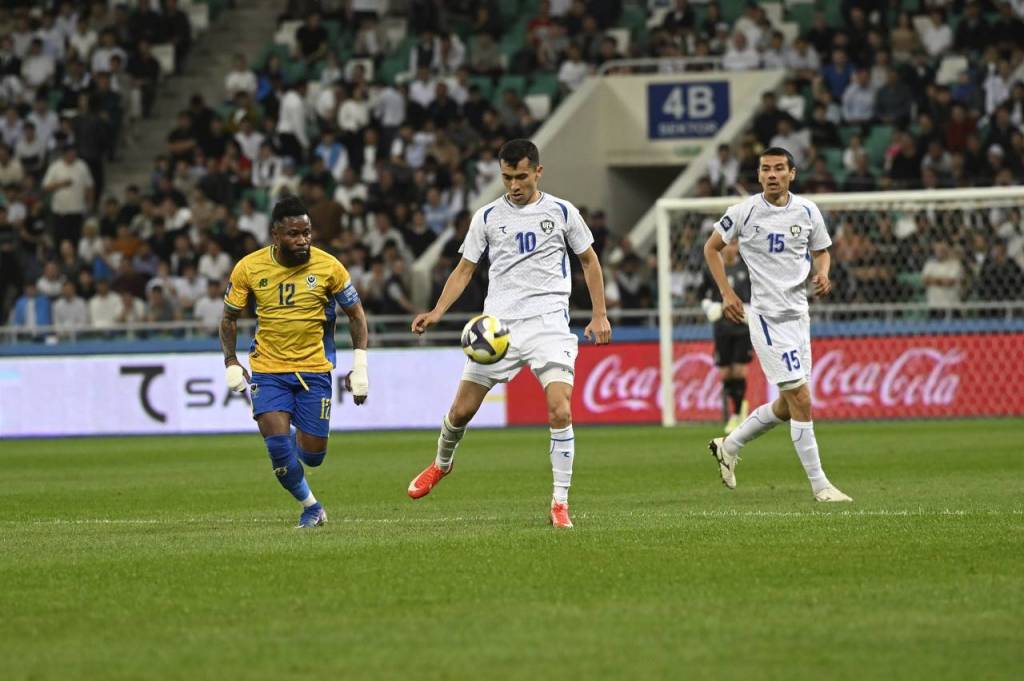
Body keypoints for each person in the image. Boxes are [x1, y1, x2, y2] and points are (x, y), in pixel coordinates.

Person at [407, 139, 613, 528]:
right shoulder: (486, 217)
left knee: (560, 409)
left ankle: (560, 502)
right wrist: (436, 311)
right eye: (507, 178)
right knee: (461, 411)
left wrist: (599, 314)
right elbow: (465, 269)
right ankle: (442, 464)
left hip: (548, 325)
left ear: (538, 172)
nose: (514, 185)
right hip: (497, 329)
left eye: (521, 176)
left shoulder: (563, 212)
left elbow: (589, 261)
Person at [702, 146, 852, 502]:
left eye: (779, 168)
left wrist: (824, 273)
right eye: (766, 169)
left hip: (799, 317)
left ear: (792, 174)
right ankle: (820, 486)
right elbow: (711, 248)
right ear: (758, 175)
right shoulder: (744, 211)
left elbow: (822, 251)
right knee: (802, 398)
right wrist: (727, 293)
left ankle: (729, 445)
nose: (772, 174)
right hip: (767, 319)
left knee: (787, 405)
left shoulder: (808, 211)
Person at [219, 196, 369, 529]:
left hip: (314, 370)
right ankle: (311, 507)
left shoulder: (329, 267)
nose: (303, 240)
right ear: (275, 235)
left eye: (307, 233)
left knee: (313, 457)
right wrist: (231, 360)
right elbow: (229, 318)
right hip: (268, 370)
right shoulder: (249, 268)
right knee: (278, 449)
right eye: (294, 234)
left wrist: (359, 366)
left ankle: (290, 443)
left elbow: (356, 315)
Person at [698, 239, 752, 434]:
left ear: (738, 246)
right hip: (721, 327)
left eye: (734, 244)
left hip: (742, 328)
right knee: (725, 374)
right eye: (727, 244)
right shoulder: (711, 268)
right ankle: (739, 404)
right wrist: (708, 307)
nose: (730, 248)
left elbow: (758, 293)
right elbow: (701, 294)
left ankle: (736, 414)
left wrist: (751, 309)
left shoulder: (747, 268)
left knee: (739, 371)